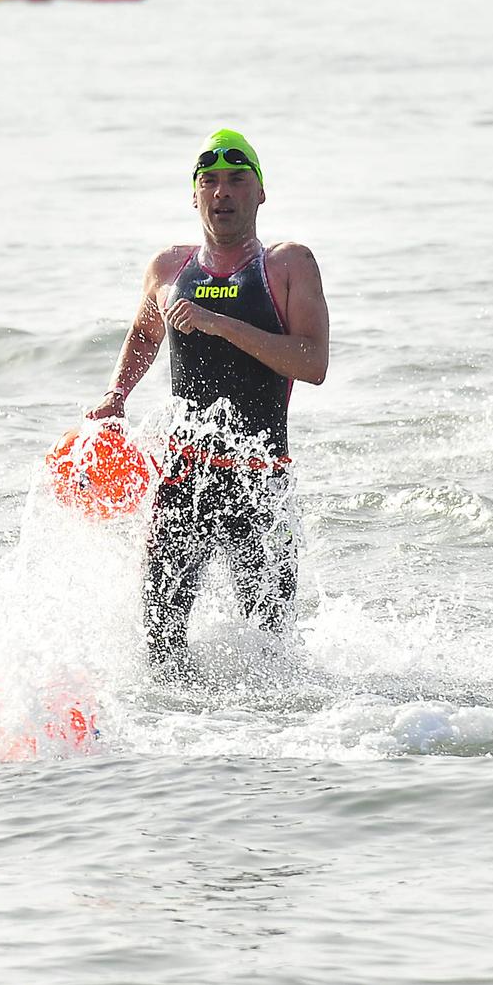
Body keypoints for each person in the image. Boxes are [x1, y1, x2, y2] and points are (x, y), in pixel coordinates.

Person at [87, 131, 330, 670]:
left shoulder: (288, 266)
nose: (223, 193)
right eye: (210, 182)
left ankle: (268, 750)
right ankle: (180, 748)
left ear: (260, 193)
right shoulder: (169, 269)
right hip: (183, 481)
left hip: (259, 479)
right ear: (193, 196)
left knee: (273, 651)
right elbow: (146, 336)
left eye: (238, 180)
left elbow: (311, 364)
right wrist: (116, 395)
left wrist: (218, 325)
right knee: (161, 643)